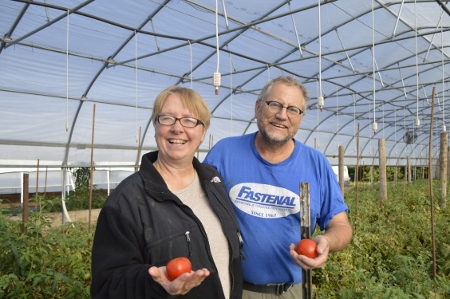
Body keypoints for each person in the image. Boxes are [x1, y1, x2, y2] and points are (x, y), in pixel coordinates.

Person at [204, 76, 353, 298]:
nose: (282, 115)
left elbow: (341, 226)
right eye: (274, 104)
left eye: (293, 109)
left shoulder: (316, 163)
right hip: (233, 289)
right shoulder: (224, 153)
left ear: (301, 118)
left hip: (292, 291)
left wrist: (327, 242)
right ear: (258, 107)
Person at [91, 86, 243, 299]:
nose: (177, 128)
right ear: (155, 126)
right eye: (167, 118)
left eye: (189, 120)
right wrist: (155, 284)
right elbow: (106, 287)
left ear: (203, 132)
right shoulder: (126, 202)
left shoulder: (213, 180)